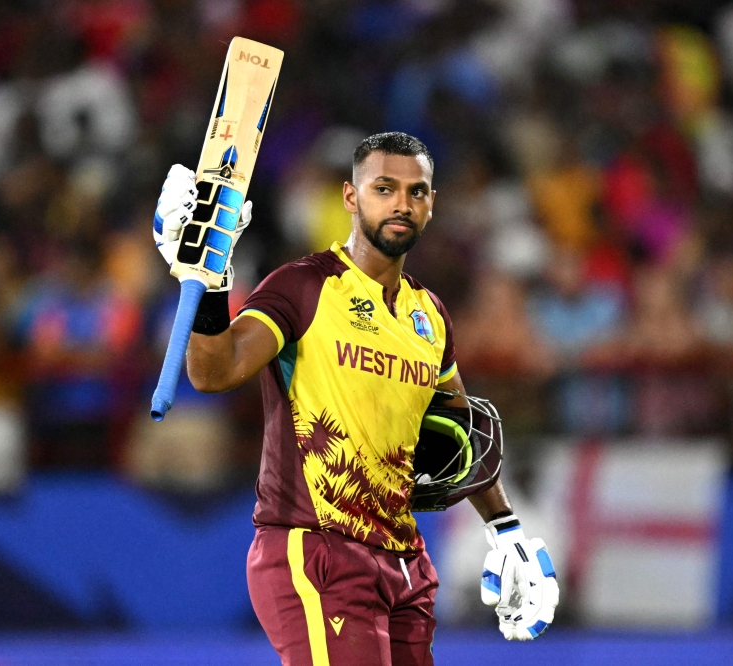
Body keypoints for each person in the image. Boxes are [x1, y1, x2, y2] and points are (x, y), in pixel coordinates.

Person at [152, 132, 558, 665]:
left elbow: (465, 435)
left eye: (417, 192)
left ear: (431, 204)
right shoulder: (303, 286)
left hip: (405, 564)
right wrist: (205, 282)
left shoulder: (429, 315)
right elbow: (214, 370)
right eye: (384, 188)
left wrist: (505, 527)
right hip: (316, 548)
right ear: (350, 197)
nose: (402, 204)